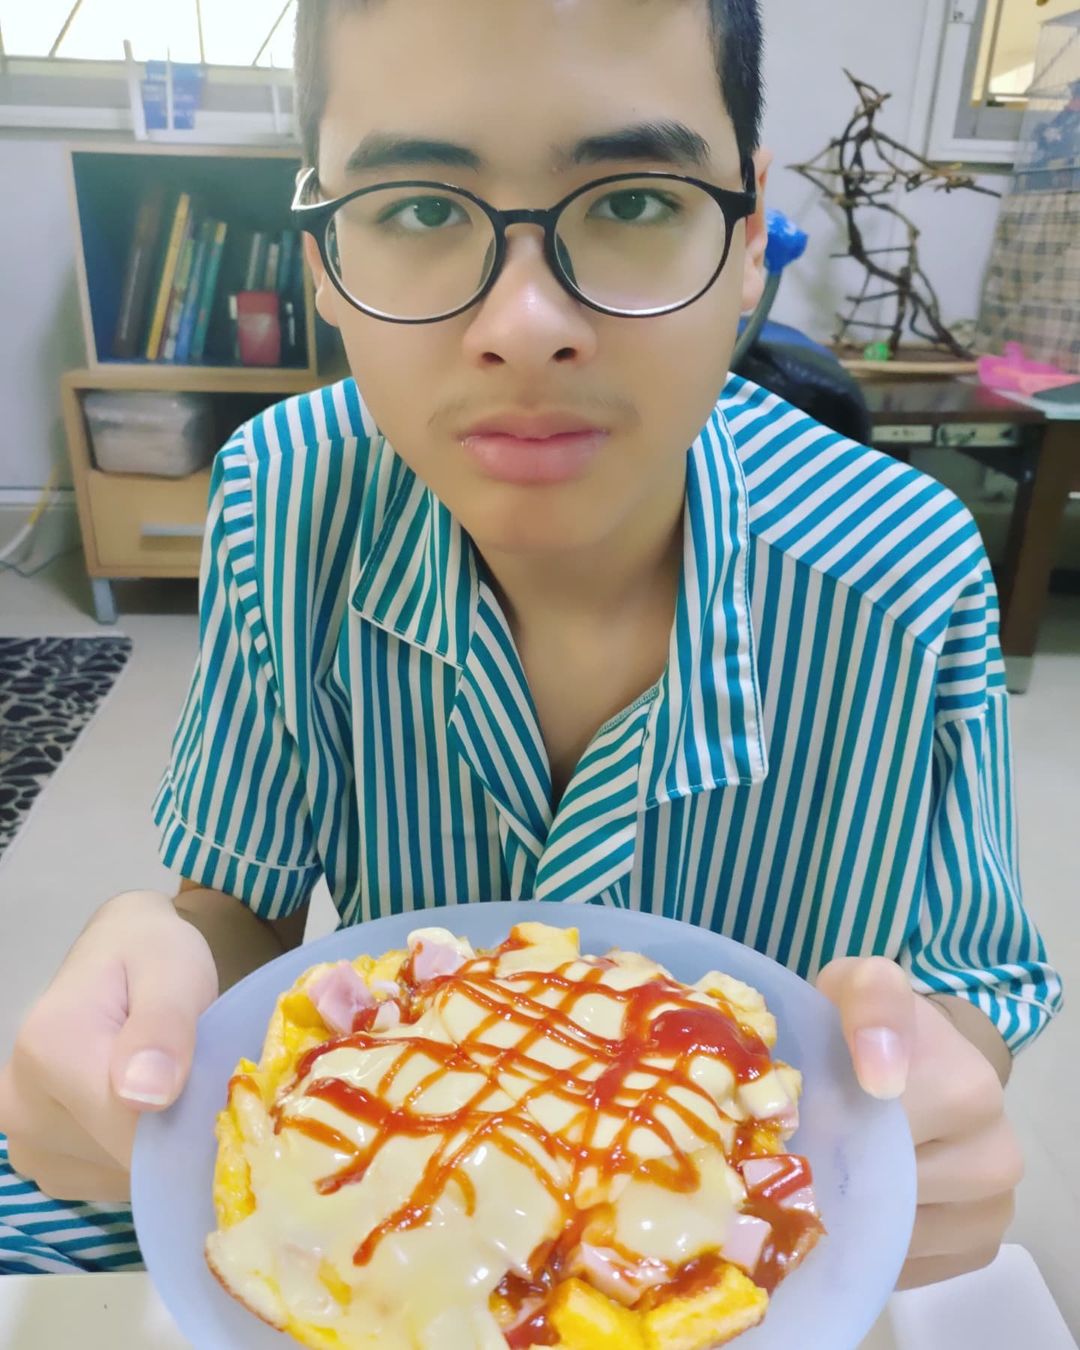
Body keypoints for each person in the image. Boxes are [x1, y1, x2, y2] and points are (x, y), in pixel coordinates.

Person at [0, 0, 1061, 1295]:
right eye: (416, 208)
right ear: (323, 258)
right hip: (404, 1202)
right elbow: (242, 909)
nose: (523, 321)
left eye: (633, 201)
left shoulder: (903, 569)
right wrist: (158, 965)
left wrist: (940, 1088)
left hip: (725, 1238)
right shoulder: (282, 498)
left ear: (745, 240)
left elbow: (969, 974)